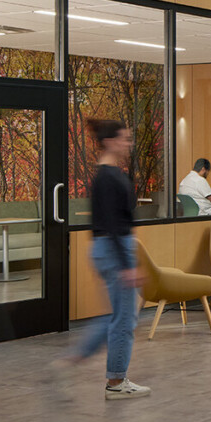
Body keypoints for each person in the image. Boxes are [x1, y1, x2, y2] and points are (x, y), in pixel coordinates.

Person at [70, 118, 150, 400]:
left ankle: (77, 356)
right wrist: (128, 266)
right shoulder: (107, 177)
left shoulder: (110, 174)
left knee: (117, 315)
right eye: (124, 139)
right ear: (109, 142)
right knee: (124, 319)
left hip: (111, 248)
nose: (128, 143)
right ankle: (116, 382)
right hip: (114, 249)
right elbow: (113, 224)